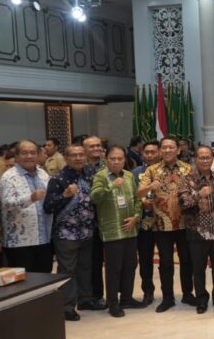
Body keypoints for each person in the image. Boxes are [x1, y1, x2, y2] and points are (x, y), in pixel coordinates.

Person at [44, 144, 101, 320]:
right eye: (73, 155)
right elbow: (48, 206)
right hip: (66, 233)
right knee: (67, 270)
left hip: (87, 231)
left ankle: (85, 300)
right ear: (66, 158)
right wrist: (65, 195)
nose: (78, 158)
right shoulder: (58, 179)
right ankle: (67, 307)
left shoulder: (90, 174)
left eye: (81, 155)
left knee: (85, 268)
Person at [137, 137, 194, 313]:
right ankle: (167, 297)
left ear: (178, 150)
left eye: (171, 147)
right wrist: (149, 188)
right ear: (160, 151)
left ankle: (187, 294)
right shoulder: (152, 170)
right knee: (166, 263)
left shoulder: (188, 169)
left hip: (185, 223)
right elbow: (139, 193)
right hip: (161, 224)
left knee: (187, 260)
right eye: (164, 147)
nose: (168, 150)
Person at [91, 145, 143, 318]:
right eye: (112, 158)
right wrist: (111, 186)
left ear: (124, 160)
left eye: (120, 159)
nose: (116, 162)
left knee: (130, 265)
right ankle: (112, 302)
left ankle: (126, 298)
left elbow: (137, 198)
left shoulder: (129, 175)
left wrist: (136, 217)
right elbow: (95, 197)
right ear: (106, 159)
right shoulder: (100, 176)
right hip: (112, 231)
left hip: (130, 229)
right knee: (114, 269)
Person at [180, 145, 214, 314]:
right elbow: (183, 202)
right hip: (197, 232)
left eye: (208, 157)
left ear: (212, 158)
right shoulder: (187, 179)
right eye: (201, 157)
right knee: (198, 269)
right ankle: (201, 299)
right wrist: (198, 194)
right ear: (195, 159)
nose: (205, 160)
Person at [0, 140, 53, 272]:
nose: (29, 156)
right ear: (17, 156)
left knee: (45, 277)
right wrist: (30, 198)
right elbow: (6, 204)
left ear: (38, 155)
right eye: (24, 153)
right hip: (20, 242)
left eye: (33, 153)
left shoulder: (43, 174)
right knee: (25, 281)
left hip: (44, 238)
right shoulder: (9, 177)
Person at [132, 140, 161, 305]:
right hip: (144, 223)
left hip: (164, 224)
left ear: (159, 153)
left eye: (153, 152)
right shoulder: (135, 173)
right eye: (146, 152)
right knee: (145, 259)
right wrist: (142, 202)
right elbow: (131, 195)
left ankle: (168, 292)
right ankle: (148, 291)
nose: (149, 155)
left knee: (166, 260)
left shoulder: (165, 171)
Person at [83, 135, 106, 303]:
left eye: (98, 145)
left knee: (108, 260)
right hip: (86, 222)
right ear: (84, 149)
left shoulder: (109, 165)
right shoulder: (79, 167)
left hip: (107, 219)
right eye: (92, 146)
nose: (96, 148)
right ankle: (92, 295)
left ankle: (107, 294)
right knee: (91, 261)